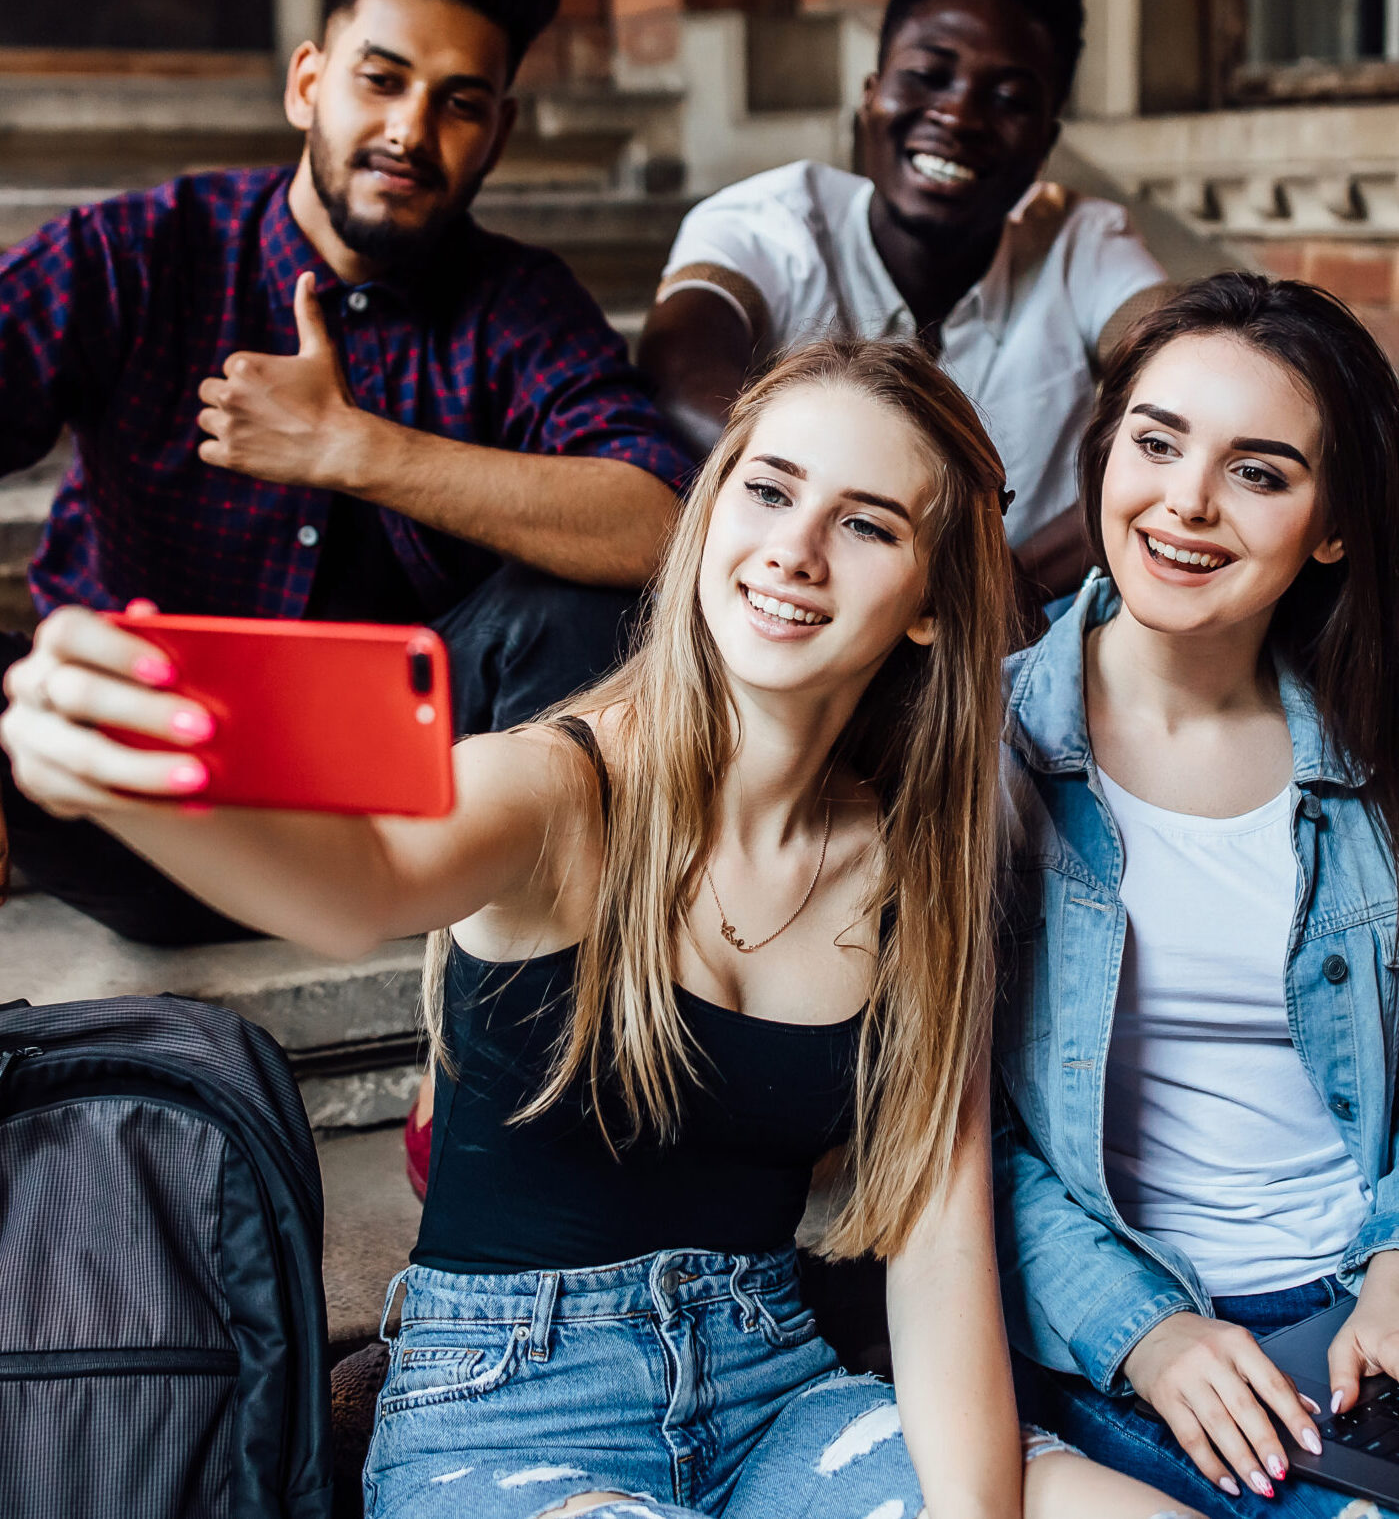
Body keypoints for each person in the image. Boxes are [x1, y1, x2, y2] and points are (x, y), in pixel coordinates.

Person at [1, 339, 1199, 1519]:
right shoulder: (557, 788)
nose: (793, 546)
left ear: (932, 603)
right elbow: (360, 880)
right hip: (502, 1406)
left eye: (866, 523)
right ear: (709, 512)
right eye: (769, 488)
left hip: (776, 1390)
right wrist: (135, 782)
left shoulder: (920, 863)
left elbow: (940, 1260)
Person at [0, 0, 690, 946]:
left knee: (582, 601)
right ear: (308, 82)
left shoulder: (518, 303)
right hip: (151, 792)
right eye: (381, 80)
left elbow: (659, 520)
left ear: (497, 132)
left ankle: (521, 993)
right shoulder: (137, 251)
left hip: (418, 820)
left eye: (459, 102)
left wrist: (355, 449)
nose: (410, 130)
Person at [994, 273, 1399, 1519]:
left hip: (1368, 1309)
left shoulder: (1377, 747)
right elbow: (940, 1141)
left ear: (1330, 524)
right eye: (1156, 442)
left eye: (1259, 472)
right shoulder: (981, 751)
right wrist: (1144, 1332)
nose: (1186, 501)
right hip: (1136, 1340)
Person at [638, 0, 1169, 606]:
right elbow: (677, 373)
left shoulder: (1081, 241)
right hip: (799, 603)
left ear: (1044, 144)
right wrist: (888, 542)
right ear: (871, 95)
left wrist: (993, 591)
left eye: (1007, 98)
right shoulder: (768, 219)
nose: (957, 115)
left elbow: (1186, 377)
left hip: (1020, 629)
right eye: (927, 75)